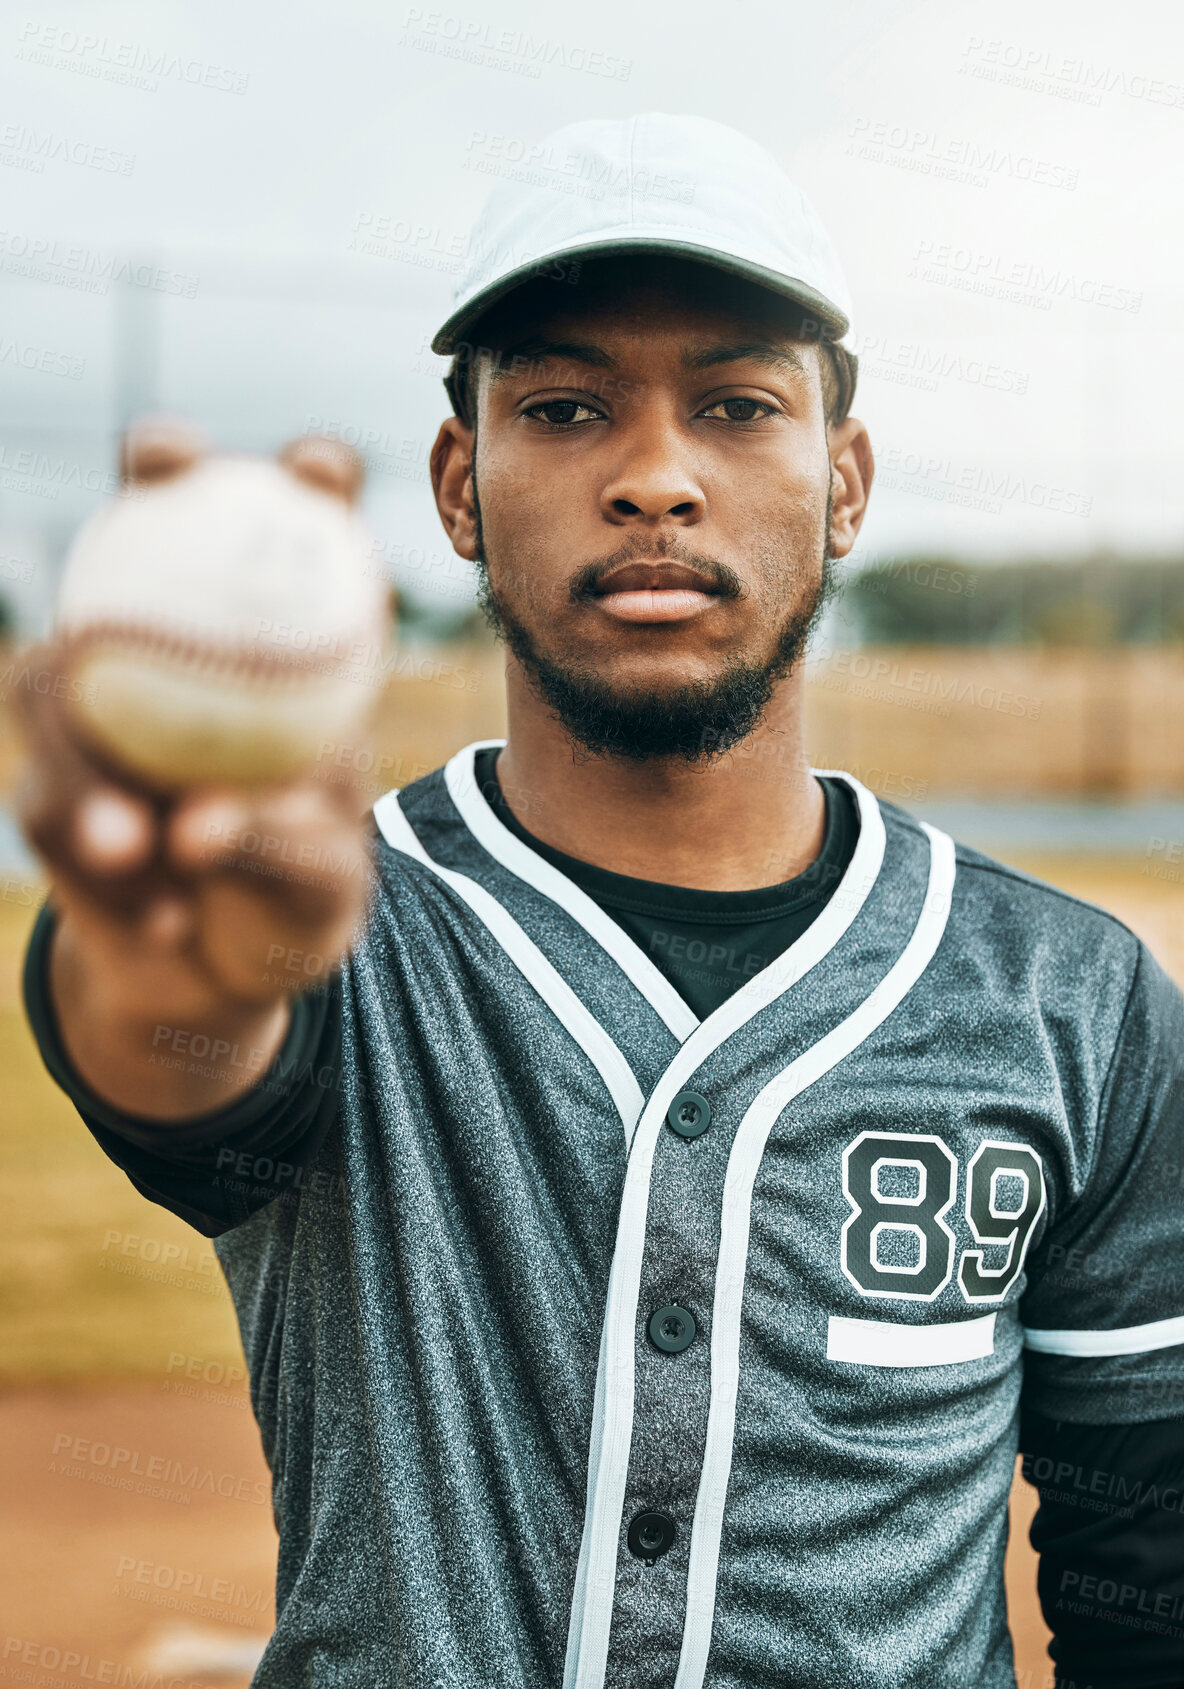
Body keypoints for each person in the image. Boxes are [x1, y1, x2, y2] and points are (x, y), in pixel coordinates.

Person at [18, 113, 1184, 1689]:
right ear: (459, 483)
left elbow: (1148, 1566)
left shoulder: (1075, 997)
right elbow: (185, 1037)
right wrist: (170, 965)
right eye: (564, 408)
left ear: (842, 480)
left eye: (737, 405)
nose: (653, 477)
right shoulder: (335, 932)